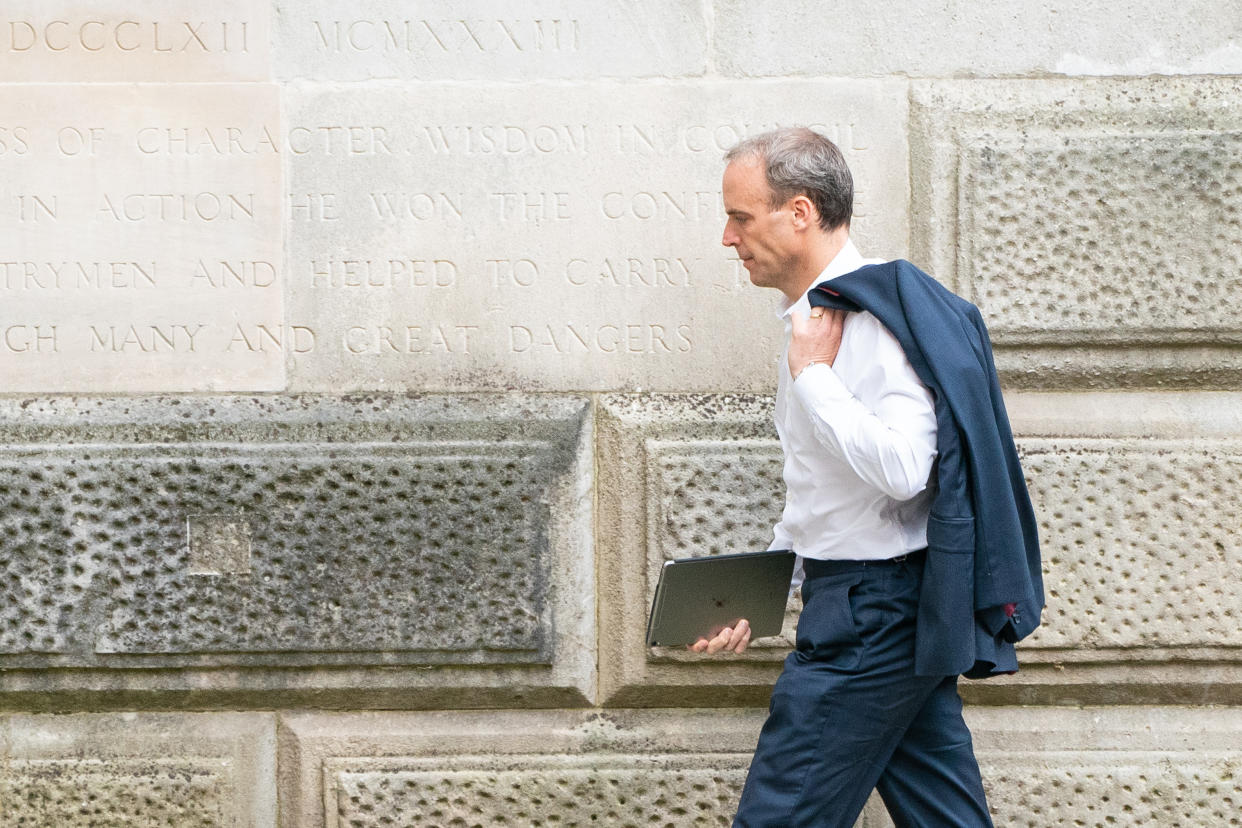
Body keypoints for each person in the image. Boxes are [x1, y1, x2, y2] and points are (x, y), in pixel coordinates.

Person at [693, 127, 1042, 827]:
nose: (728, 239)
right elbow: (819, 493)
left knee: (779, 816)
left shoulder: (871, 320)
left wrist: (816, 378)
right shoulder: (811, 325)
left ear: (799, 212)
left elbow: (907, 471)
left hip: (873, 616)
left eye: (740, 217)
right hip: (872, 604)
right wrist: (761, 587)